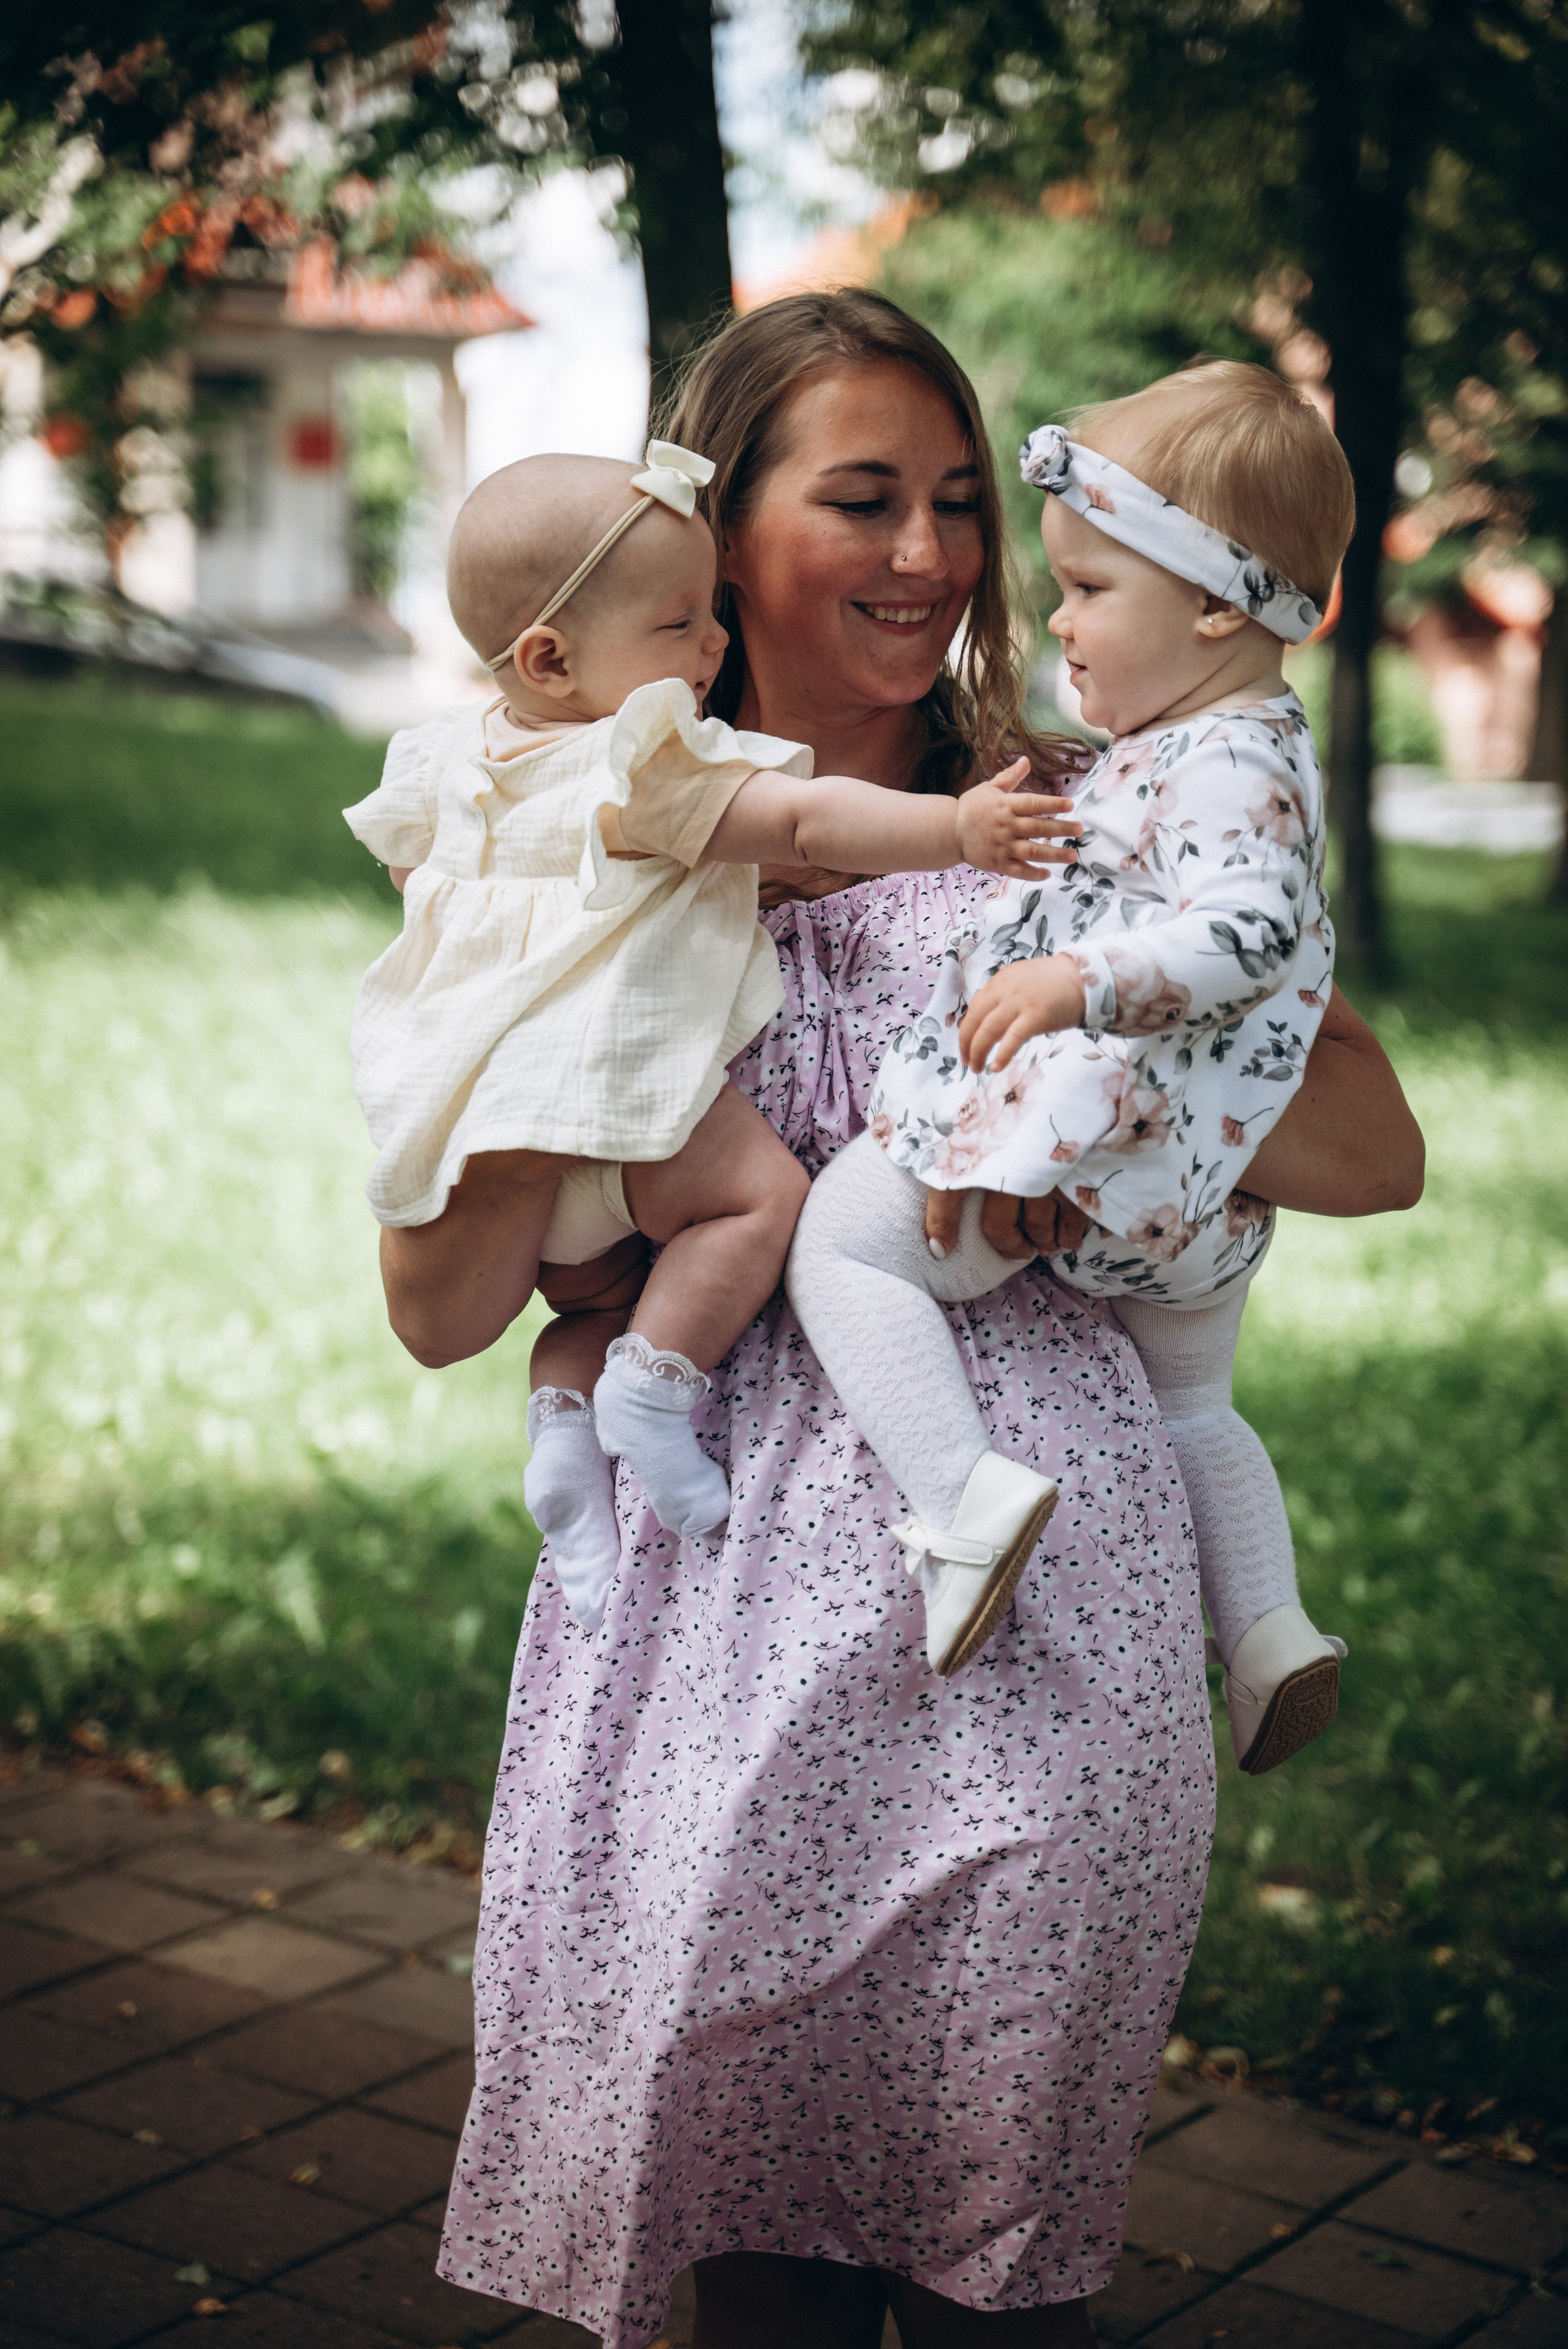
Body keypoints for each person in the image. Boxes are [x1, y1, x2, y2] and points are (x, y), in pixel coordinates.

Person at [390, 290, 1422, 2349]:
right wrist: (566, 1080)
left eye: (962, 503)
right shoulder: (569, 862)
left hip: (1034, 1611)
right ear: (712, 538)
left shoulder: (1071, 814)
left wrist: (1111, 1104)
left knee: (994, 2246)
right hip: (703, 1649)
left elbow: (1373, 1147)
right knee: (754, 2265)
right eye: (863, 497)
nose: (936, 557)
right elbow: (439, 1303)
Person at [344, 442, 1076, 1620]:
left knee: (591, 1300)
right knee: (763, 1203)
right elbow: (804, 815)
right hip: (617, 1090)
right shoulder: (642, 763)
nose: (712, 644)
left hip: (474, 1116)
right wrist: (958, 830)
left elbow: (406, 866)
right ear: (552, 658)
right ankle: (651, 1387)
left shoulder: (449, 757)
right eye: (682, 624)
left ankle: (569, 1445)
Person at [786, 364, 1352, 1779]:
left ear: (1216, 604)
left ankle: (960, 1496)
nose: (1058, 621)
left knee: (846, 1253)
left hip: (1085, 1145)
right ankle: (1269, 1629)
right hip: (1198, 1210)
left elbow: (1244, 932)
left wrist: (1072, 982)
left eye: (1091, 590)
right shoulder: (1214, 747)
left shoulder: (1219, 762)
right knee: (1196, 1408)